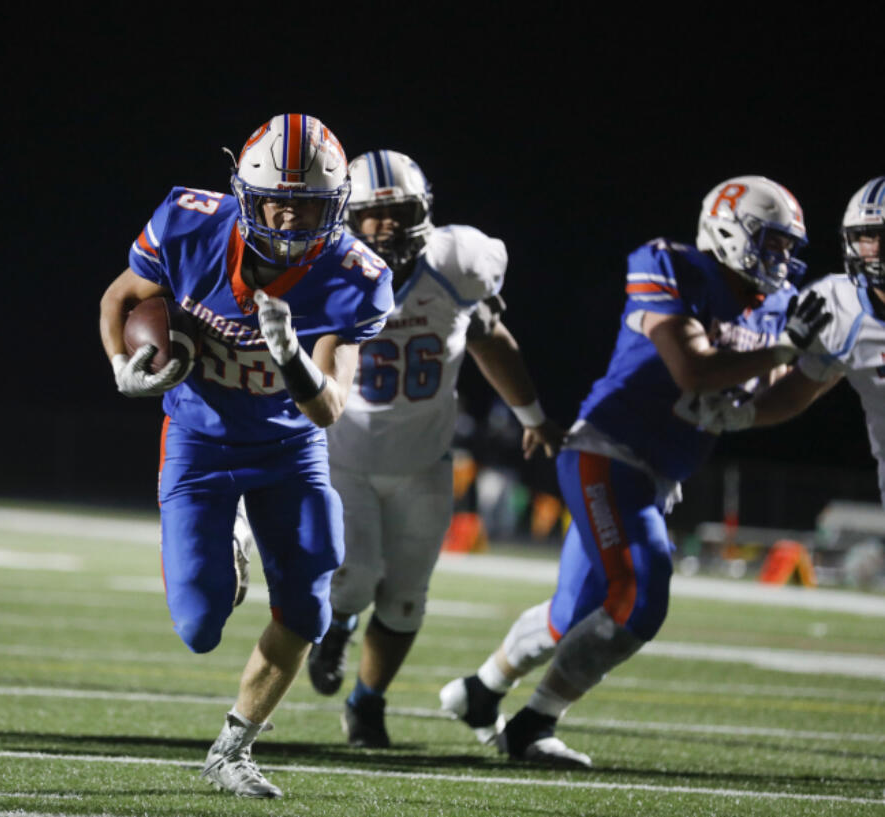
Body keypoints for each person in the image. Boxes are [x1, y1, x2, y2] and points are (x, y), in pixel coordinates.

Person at [437, 175, 831, 767]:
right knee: (639, 594)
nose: (779, 259)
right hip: (609, 450)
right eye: (769, 242)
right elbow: (693, 370)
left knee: (572, 612)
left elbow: (775, 391)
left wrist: (809, 366)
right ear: (728, 230)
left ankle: (480, 690)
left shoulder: (777, 306)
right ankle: (533, 724)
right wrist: (779, 353)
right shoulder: (671, 265)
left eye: (785, 247)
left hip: (658, 474)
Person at [99, 114, 393, 798]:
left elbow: (328, 410)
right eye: (275, 201)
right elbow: (122, 297)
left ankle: (232, 746)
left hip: (290, 446)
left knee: (310, 607)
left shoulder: (355, 275)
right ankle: (228, 537)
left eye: (309, 205)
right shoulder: (189, 222)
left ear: (338, 205)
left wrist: (291, 355)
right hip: (199, 439)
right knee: (198, 625)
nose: (290, 220)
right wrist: (122, 365)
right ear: (244, 192)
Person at [305, 149, 565, 748]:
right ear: (349, 217)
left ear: (424, 212)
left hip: (423, 460)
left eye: (399, 211)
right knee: (354, 577)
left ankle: (366, 703)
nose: (388, 226)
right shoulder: (328, 269)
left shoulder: (458, 262)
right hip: (344, 453)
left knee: (404, 601)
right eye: (374, 214)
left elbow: (488, 337)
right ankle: (338, 625)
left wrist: (532, 415)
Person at [700, 176, 885, 499]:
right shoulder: (838, 305)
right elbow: (796, 389)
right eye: (868, 236)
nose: (877, 250)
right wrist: (743, 413)